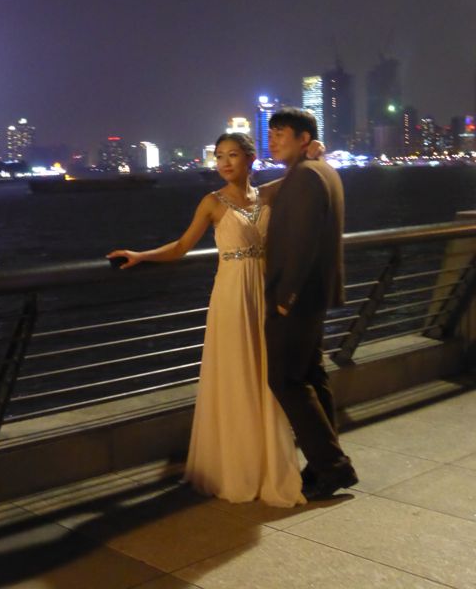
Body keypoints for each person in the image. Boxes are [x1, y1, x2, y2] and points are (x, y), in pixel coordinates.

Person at [107, 132, 320, 507]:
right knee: (237, 374)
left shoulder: (268, 195)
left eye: (232, 155)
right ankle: (236, 467)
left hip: (264, 294)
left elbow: (302, 173)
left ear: (250, 159)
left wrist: (313, 151)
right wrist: (141, 255)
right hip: (231, 296)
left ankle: (267, 464)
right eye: (219, 156)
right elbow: (180, 247)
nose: (224, 163)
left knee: (266, 375)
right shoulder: (212, 202)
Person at [265, 108, 358, 499]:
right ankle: (322, 464)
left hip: (297, 298)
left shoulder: (306, 176)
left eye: (281, 133)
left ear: (304, 138)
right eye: (270, 133)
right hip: (315, 295)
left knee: (286, 380)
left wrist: (285, 298)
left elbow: (302, 242)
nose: (273, 139)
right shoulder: (320, 170)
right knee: (312, 376)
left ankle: (333, 467)